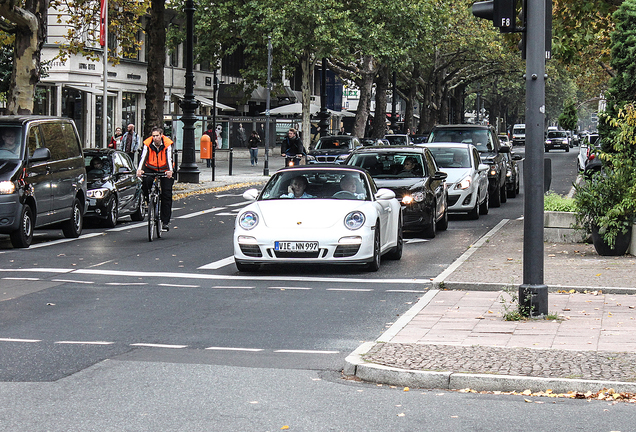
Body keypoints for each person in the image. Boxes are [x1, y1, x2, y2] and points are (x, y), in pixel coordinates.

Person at [137, 127, 174, 231]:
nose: (155, 138)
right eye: (153, 136)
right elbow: (143, 156)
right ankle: (148, 199)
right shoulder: (147, 144)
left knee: (166, 194)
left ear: (161, 135)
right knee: (146, 181)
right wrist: (139, 169)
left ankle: (165, 222)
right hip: (150, 167)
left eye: (157, 136)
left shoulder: (167, 144)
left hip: (165, 169)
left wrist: (170, 170)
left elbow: (169, 158)